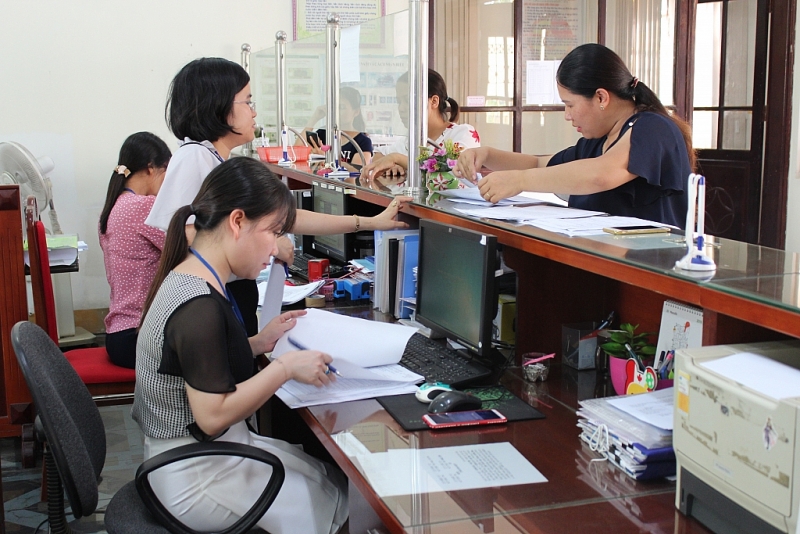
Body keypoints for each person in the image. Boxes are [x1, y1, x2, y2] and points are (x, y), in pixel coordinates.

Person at [133, 157, 347, 534]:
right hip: (195, 477)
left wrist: (257, 343)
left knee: (326, 477)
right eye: (273, 232)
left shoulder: (191, 274)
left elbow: (195, 363)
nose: (278, 247)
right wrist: (284, 368)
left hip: (200, 454)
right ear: (237, 222)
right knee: (333, 502)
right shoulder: (197, 307)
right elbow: (212, 416)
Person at [146, 57, 409, 335]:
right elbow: (183, 235)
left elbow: (288, 217)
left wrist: (370, 222)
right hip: (217, 296)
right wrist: (269, 245)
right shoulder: (194, 157)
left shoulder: (215, 159)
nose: (254, 113)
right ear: (219, 107)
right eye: (247, 102)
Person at [454, 43, 693, 228]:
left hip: (649, 272)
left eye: (570, 105)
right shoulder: (597, 142)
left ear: (601, 97)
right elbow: (538, 163)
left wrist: (520, 181)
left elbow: (602, 174)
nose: (567, 116)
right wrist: (485, 154)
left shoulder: (652, 128)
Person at [98, 132, 170, 368]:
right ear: (151, 168)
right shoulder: (143, 206)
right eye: (166, 170)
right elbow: (187, 249)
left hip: (119, 335)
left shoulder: (111, 209)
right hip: (139, 334)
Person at [360, 68, 480, 181]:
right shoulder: (411, 141)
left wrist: (397, 159)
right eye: (399, 101)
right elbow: (378, 156)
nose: (401, 108)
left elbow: (450, 170)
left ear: (434, 101)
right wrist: (391, 166)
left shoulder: (463, 134)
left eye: (408, 101)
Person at [303, 86, 373, 167]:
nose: (337, 112)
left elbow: (357, 171)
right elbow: (295, 153)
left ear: (356, 112)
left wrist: (326, 159)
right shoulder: (323, 133)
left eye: (342, 107)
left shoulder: (362, 142)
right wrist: (314, 119)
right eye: (334, 107)